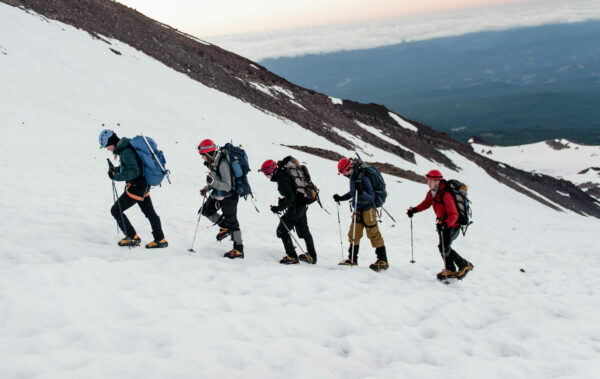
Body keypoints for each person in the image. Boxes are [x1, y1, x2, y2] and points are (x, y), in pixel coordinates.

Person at [99, 129, 167, 248]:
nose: (107, 149)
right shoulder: (126, 148)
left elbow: (134, 171)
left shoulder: (126, 152)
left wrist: (117, 177)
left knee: (116, 210)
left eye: (107, 146)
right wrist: (115, 170)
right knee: (150, 213)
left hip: (137, 187)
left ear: (112, 142)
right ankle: (160, 239)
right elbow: (130, 166)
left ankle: (132, 237)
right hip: (143, 185)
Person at [406, 170, 474, 280]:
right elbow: (426, 204)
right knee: (443, 247)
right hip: (443, 224)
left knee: (444, 247)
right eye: (428, 180)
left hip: (452, 225)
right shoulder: (432, 192)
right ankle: (450, 269)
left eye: (431, 181)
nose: (428, 183)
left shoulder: (445, 194)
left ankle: (464, 264)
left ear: (438, 181)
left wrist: (445, 224)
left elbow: (454, 214)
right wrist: (414, 210)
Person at [333, 158, 388, 272]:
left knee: (373, 233)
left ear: (350, 168)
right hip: (358, 208)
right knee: (354, 233)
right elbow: (353, 193)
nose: (345, 175)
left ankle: (383, 260)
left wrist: (362, 192)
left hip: (368, 209)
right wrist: (341, 198)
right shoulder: (353, 177)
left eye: (344, 172)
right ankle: (352, 259)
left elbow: (371, 197)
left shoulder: (363, 177)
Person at [259, 159, 317, 265]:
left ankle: (292, 256)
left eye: (266, 173)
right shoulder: (285, 173)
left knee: (282, 230)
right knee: (304, 232)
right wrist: (282, 203)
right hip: (302, 204)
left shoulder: (282, 179)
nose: (266, 176)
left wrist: (278, 208)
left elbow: (290, 197)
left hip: (296, 208)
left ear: (271, 171)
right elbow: (292, 194)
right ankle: (312, 256)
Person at [197, 139, 244, 259]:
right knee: (206, 211)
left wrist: (213, 182)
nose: (202, 158)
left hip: (230, 197)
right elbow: (215, 179)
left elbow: (227, 186)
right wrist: (207, 188)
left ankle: (238, 249)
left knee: (233, 222)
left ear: (209, 153)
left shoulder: (222, 163)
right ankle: (224, 226)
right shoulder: (214, 162)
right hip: (218, 194)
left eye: (203, 155)